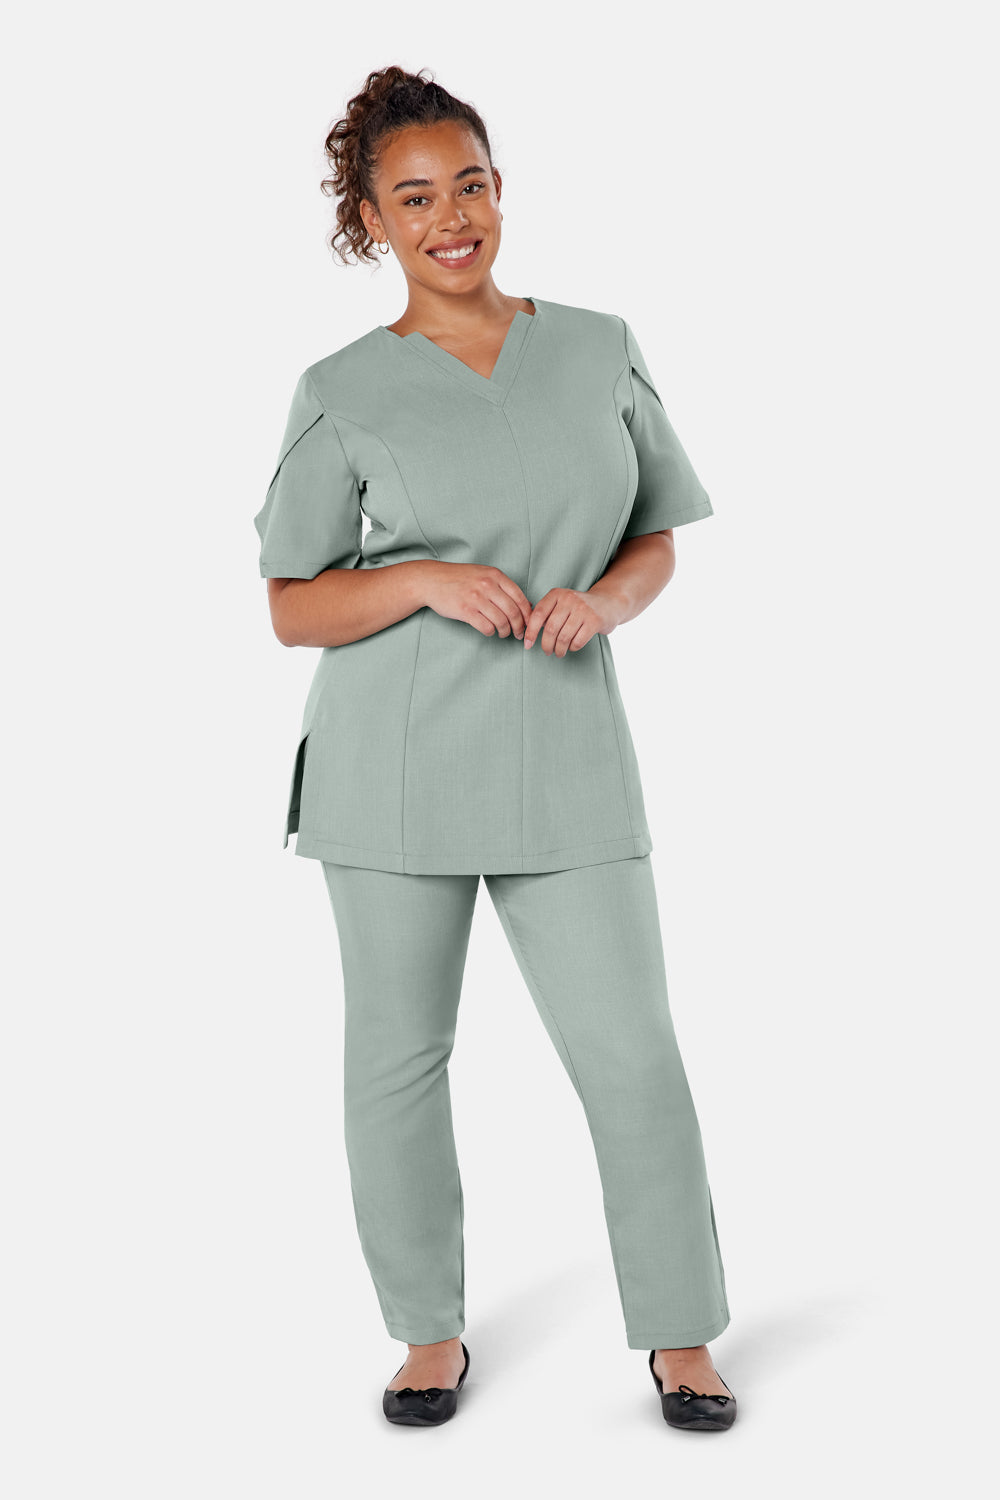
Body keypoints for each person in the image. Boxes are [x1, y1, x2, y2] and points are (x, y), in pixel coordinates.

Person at [253, 65, 737, 1431]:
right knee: (398, 1060)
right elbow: (291, 605)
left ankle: (682, 1335)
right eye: (414, 199)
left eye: (469, 185)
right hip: (392, 766)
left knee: (632, 1053)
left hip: (566, 750)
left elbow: (655, 535)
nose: (450, 218)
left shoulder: (596, 347)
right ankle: (427, 1334)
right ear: (371, 221)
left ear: (499, 189)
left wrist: (609, 602)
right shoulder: (343, 389)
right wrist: (418, 579)